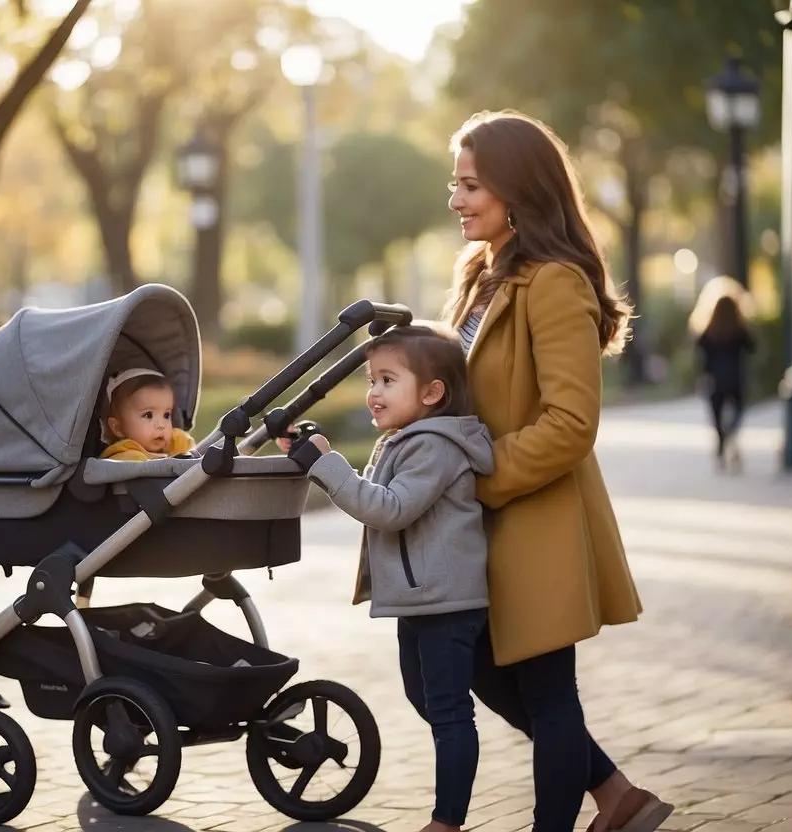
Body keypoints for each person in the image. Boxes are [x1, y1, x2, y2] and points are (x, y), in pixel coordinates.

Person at [443, 110, 672, 832]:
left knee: (544, 689)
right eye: (453, 184)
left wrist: (480, 476)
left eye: (471, 185)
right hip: (479, 523)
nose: (455, 199)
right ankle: (614, 796)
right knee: (472, 669)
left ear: (518, 189)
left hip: (533, 516)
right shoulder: (480, 273)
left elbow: (571, 424)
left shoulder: (554, 283)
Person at [287, 323, 495, 832]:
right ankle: (456, 766)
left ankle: (447, 821)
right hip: (421, 599)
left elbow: (391, 509)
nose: (373, 392)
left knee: (448, 712)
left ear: (431, 392)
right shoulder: (407, 439)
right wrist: (312, 454)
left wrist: (330, 467)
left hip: (445, 602)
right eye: (371, 380)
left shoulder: (436, 447)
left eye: (387, 380)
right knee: (423, 698)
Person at [688, 277, 756, 472]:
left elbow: (700, 352)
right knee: (738, 409)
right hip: (735, 378)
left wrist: (703, 374)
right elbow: (753, 346)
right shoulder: (739, 329)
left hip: (715, 380)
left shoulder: (708, 330)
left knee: (716, 416)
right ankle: (730, 433)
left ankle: (721, 442)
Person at [99, 368, 196, 461]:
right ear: (118, 428)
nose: (161, 425)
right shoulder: (123, 459)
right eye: (148, 415)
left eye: (166, 415)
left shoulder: (176, 447)